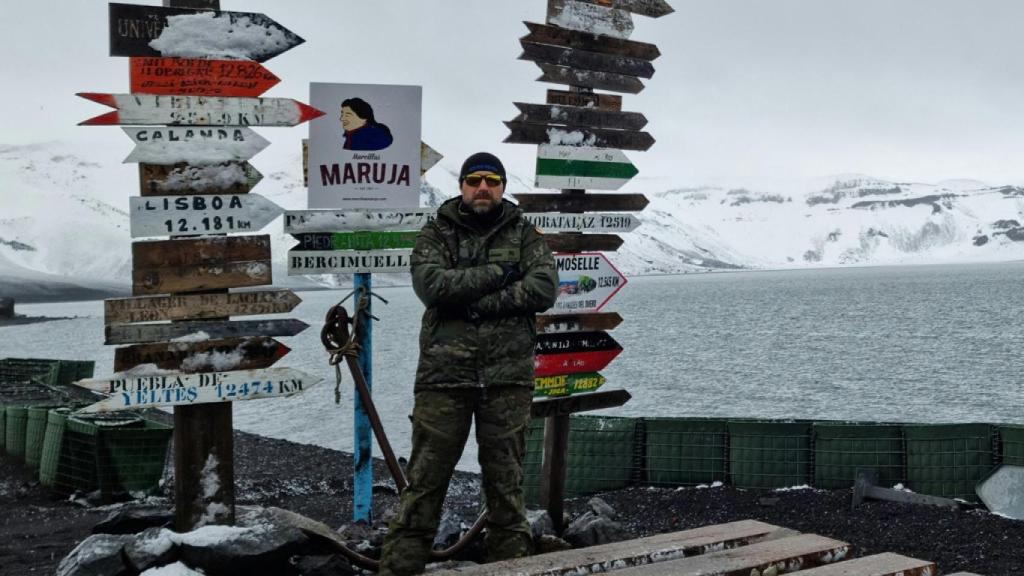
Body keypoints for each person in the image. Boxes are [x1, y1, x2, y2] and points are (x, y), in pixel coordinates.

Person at [378, 152, 559, 575]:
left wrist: (475, 302)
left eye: (492, 180)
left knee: (506, 489)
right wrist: (500, 272)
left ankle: (510, 569)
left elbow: (544, 288)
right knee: (423, 485)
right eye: (474, 179)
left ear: (501, 186)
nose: (483, 187)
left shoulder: (525, 233)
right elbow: (433, 287)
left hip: (507, 380)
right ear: (461, 185)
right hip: (444, 380)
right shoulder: (436, 231)